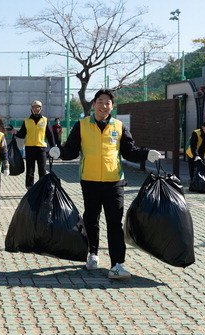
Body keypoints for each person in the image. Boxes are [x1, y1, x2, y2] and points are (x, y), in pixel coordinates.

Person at [48, 89, 162, 279]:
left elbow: (129, 151)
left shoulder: (119, 126)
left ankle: (117, 264)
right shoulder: (82, 125)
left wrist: (146, 154)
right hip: (89, 181)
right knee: (91, 219)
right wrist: (59, 152)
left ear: (112, 106)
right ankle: (92, 253)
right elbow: (72, 150)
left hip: (114, 182)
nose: (103, 106)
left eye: (107, 102)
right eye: (100, 102)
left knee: (114, 223)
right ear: (94, 104)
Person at [11, 100, 56, 189]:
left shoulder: (45, 120)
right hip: (30, 148)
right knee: (30, 169)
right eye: (34, 107)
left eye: (38, 107)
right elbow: (22, 134)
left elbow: (50, 135)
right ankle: (29, 187)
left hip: (41, 148)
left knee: (42, 169)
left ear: (40, 108)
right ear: (31, 108)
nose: (36, 109)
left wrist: (54, 147)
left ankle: (42, 187)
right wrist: (16, 132)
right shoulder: (27, 121)